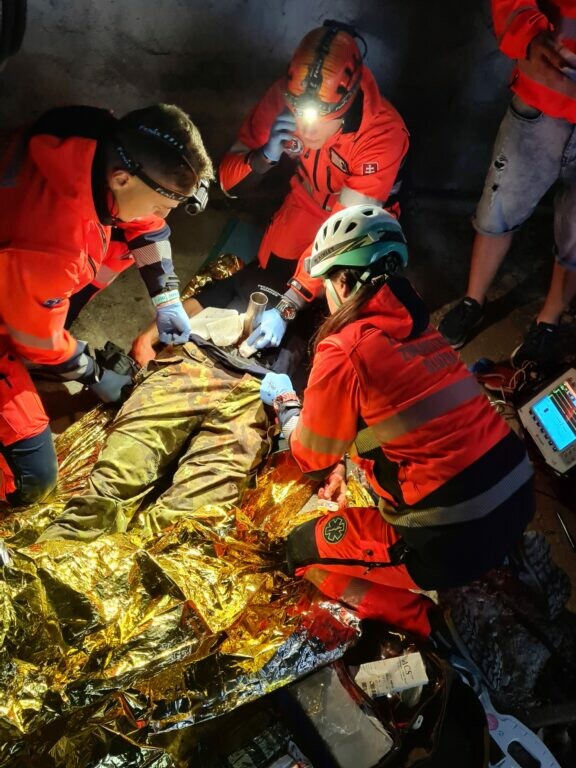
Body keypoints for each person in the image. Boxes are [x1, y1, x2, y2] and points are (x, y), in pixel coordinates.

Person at [259, 205, 534, 637]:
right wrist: (345, 465)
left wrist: (287, 406)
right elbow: (400, 428)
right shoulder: (428, 336)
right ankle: (489, 568)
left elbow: (311, 458)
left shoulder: (345, 348)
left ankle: (432, 627)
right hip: (518, 499)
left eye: (327, 281)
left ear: (343, 282)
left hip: (450, 538)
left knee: (301, 550)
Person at [130, 20, 408, 368]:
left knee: (333, 307)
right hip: (307, 201)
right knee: (264, 278)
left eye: (322, 116)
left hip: (361, 222)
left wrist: (290, 304)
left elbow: (346, 232)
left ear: (347, 104)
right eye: (299, 111)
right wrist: (263, 157)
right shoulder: (283, 97)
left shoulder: (381, 132)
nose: (306, 127)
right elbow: (228, 183)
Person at [0, 103, 213, 506]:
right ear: (122, 179)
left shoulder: (95, 146)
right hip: (18, 307)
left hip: (22, 282)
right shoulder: (53, 246)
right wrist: (91, 372)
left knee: (123, 238)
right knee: (35, 479)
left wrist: (167, 297)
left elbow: (147, 226)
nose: (162, 215)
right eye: (160, 204)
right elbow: (37, 339)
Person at [438, 0, 576, 368]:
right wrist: (529, 34)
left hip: (543, 93)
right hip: (542, 97)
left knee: (574, 237)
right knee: (497, 210)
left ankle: (548, 322)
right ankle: (473, 301)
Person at [37, 333, 273, 542]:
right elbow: (188, 308)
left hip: (258, 399)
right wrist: (146, 339)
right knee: (108, 489)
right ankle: (44, 565)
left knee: (184, 525)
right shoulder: (252, 291)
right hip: (195, 363)